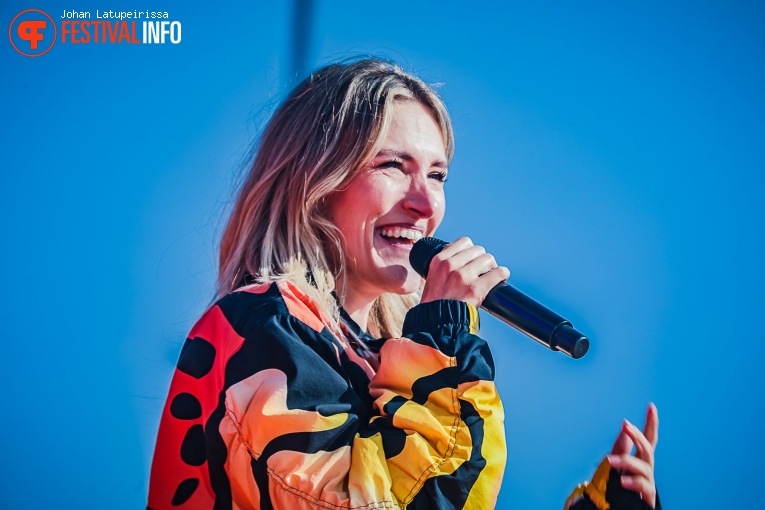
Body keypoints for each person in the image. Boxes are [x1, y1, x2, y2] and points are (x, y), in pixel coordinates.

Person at [148, 58, 660, 510]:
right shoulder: (262, 323)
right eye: (393, 165)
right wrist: (443, 339)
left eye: (437, 175)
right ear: (316, 183)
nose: (425, 203)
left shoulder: (386, 364)